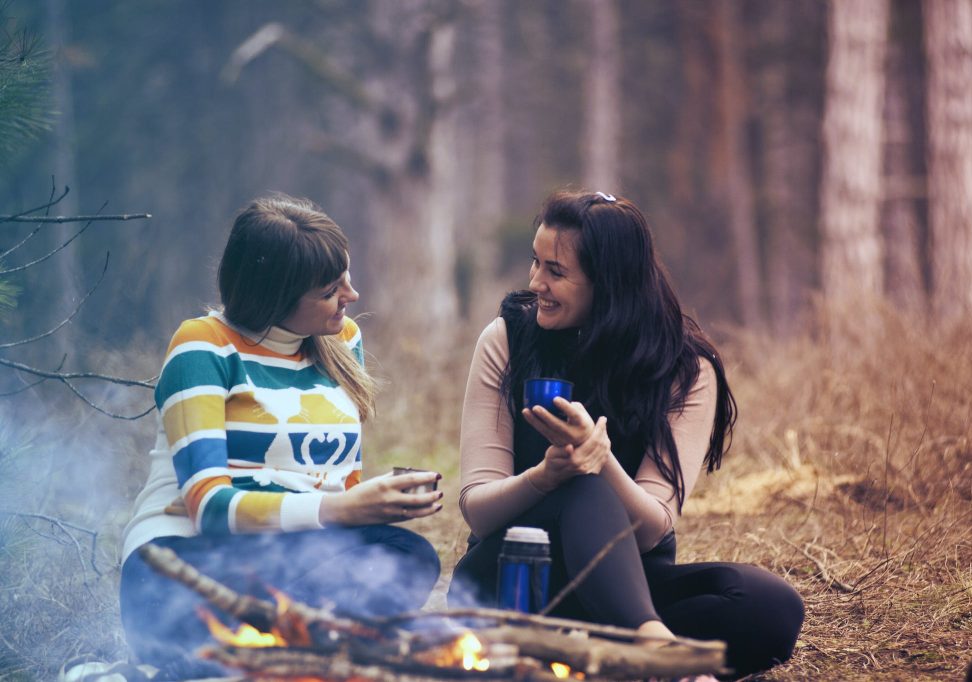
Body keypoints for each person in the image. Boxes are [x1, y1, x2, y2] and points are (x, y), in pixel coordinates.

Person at [448, 190, 804, 678]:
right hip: (512, 581)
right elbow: (479, 510)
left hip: (625, 583)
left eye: (556, 271)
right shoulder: (507, 340)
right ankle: (657, 654)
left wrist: (602, 460)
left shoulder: (686, 368)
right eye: (536, 263)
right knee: (580, 487)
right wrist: (547, 477)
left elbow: (654, 525)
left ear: (609, 283)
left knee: (770, 605)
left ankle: (610, 655)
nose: (536, 282)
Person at [119, 194, 442, 678]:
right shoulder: (203, 346)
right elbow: (208, 508)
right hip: (182, 567)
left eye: (347, 277)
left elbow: (337, 481)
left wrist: (369, 506)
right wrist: (341, 510)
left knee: (407, 554)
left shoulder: (342, 339)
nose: (351, 296)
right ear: (275, 296)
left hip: (289, 559)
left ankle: (277, 659)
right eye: (331, 289)